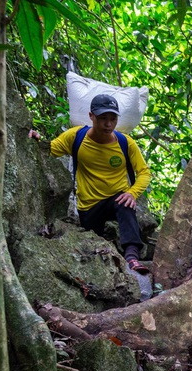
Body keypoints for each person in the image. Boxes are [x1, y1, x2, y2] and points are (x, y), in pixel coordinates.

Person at [50, 94, 152, 273]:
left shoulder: (124, 143)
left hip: (115, 198)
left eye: (113, 119)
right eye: (103, 118)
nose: (108, 124)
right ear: (91, 116)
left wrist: (132, 193)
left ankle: (132, 256)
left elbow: (144, 172)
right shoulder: (76, 137)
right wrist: (33, 137)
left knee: (125, 202)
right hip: (88, 205)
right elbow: (51, 149)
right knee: (93, 239)